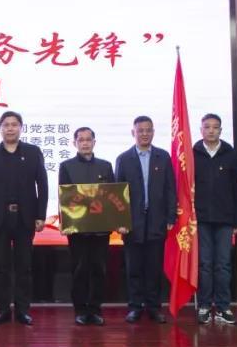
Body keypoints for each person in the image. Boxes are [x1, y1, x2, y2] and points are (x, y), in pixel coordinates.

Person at [0, 110, 48, 326]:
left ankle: (23, 310)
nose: (10, 128)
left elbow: (42, 185)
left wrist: (41, 215)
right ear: (0, 129)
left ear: (21, 128)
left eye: (14, 124)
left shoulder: (33, 152)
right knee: (0, 267)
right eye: (6, 125)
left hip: (26, 218)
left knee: (24, 266)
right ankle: (3, 310)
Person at [115, 115, 177, 324]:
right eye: (140, 130)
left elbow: (170, 189)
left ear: (153, 132)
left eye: (148, 130)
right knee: (133, 268)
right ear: (133, 133)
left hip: (157, 220)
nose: (144, 134)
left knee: (153, 268)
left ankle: (153, 307)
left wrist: (171, 216)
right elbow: (117, 195)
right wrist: (120, 221)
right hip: (132, 222)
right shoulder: (123, 159)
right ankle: (135, 307)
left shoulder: (163, 157)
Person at [57, 126, 116, 326]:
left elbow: (112, 196)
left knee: (99, 269)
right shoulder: (66, 166)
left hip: (101, 228)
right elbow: (64, 197)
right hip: (77, 228)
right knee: (79, 269)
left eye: (88, 139)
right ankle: (80, 310)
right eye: (81, 140)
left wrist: (116, 221)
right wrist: (65, 222)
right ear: (74, 143)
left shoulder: (105, 166)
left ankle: (95, 309)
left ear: (94, 142)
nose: (85, 143)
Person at [193, 112, 237, 325]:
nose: (211, 131)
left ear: (221, 131)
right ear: (201, 130)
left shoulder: (230, 154)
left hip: (225, 219)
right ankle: (205, 306)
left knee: (223, 265)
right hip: (201, 219)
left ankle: (224, 307)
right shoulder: (192, 154)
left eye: (215, 127)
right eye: (207, 127)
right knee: (205, 264)